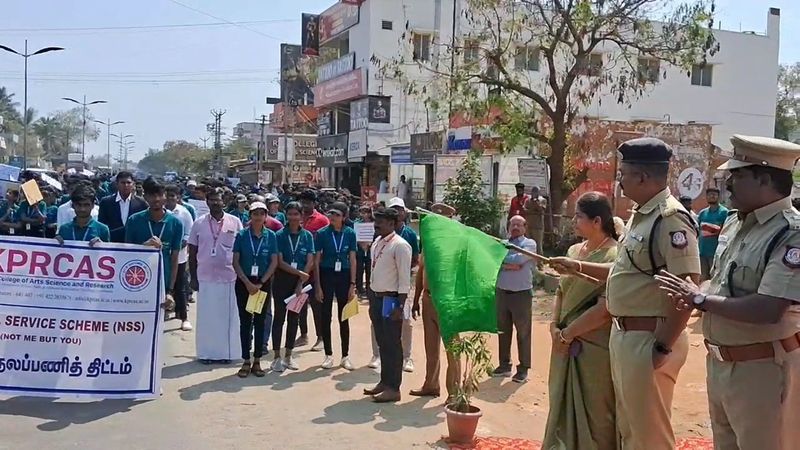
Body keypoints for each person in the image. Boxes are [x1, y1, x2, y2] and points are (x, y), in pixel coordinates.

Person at [550, 137, 700, 450]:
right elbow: (624, 273)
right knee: (630, 431)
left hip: (650, 338)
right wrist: (575, 265)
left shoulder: (669, 218)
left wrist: (661, 347)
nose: (620, 181)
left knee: (649, 437)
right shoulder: (640, 216)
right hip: (626, 337)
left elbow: (686, 289)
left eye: (625, 174)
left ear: (643, 177)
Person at [656, 135, 800, 450]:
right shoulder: (736, 222)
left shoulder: (791, 233)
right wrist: (698, 290)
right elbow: (722, 283)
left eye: (737, 176)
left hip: (762, 371)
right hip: (721, 365)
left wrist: (699, 298)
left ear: (765, 179)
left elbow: (768, 307)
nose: (727, 182)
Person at [542, 192, 619, 450]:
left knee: (596, 413)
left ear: (596, 221)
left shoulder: (614, 257)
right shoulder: (574, 251)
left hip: (594, 349)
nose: (573, 220)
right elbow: (561, 292)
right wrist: (555, 327)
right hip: (563, 345)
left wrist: (569, 333)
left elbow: (606, 308)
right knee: (561, 406)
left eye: (578, 216)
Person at [410, 202, 461, 400]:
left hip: (447, 301)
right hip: (428, 299)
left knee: (452, 350)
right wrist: (415, 299)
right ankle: (431, 384)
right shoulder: (429, 242)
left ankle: (455, 393)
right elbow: (421, 271)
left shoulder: (455, 244)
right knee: (431, 348)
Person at [188, 187, 244, 364]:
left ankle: (226, 354)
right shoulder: (198, 223)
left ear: (224, 201)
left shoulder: (235, 222)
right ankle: (206, 354)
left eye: (217, 199)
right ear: (206, 202)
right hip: (205, 277)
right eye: (211, 199)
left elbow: (241, 251)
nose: (214, 202)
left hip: (229, 277)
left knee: (227, 319)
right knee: (206, 319)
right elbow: (192, 251)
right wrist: (193, 278)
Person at [363, 207, 412, 403]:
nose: (376, 224)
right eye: (376, 221)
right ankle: (384, 381)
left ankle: (394, 387)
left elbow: (404, 279)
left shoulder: (400, 246)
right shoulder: (377, 242)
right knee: (382, 341)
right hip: (376, 298)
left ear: (392, 224)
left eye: (381, 222)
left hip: (391, 299)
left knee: (393, 343)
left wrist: (400, 306)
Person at [232, 201, 278, 378]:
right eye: (254, 213)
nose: (258, 217)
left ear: (266, 216)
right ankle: (245, 360)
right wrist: (247, 283)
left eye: (261, 213)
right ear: (250, 216)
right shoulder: (242, 235)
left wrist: (260, 283)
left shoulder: (271, 236)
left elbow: (274, 261)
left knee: (260, 321)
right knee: (245, 322)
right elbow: (235, 261)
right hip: (244, 283)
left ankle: (257, 360)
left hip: (262, 283)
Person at [125, 178, 184, 314]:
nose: (156, 199)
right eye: (151, 195)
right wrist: (144, 247)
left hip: (162, 283)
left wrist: (170, 291)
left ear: (165, 197)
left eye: (160, 195)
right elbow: (127, 254)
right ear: (145, 197)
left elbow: (174, 259)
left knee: (157, 326)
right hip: (137, 282)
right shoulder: (134, 220)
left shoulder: (175, 223)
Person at [314, 201, 358, 370]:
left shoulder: (350, 233)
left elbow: (353, 259)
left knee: (343, 316)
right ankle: (328, 354)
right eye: (331, 213)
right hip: (327, 274)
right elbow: (317, 260)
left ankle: (345, 355)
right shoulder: (322, 233)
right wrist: (317, 285)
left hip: (344, 276)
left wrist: (352, 284)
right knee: (326, 315)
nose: (332, 217)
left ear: (344, 217)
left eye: (337, 215)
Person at [493, 215, 537, 383]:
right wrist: (510, 264)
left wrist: (503, 262)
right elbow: (495, 260)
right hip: (502, 293)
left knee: (523, 333)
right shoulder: (501, 243)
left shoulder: (529, 244)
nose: (515, 227)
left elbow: (519, 260)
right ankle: (504, 365)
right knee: (503, 331)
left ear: (525, 227)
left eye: (519, 224)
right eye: (513, 224)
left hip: (521, 295)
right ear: (508, 227)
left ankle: (523, 368)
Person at [271, 201, 314, 372]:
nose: (293, 217)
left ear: (301, 215)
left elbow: (310, 260)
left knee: (294, 319)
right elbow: (280, 262)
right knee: (279, 319)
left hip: (300, 285)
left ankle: (288, 356)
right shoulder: (279, 235)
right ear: (286, 215)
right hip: (282, 281)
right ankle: (276, 357)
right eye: (290, 214)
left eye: (296, 214)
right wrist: (299, 275)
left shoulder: (307, 236)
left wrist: (300, 282)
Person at [384, 197, 419, 372]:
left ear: (404, 212)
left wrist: (403, 267)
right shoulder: (382, 233)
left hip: (404, 283)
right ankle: (378, 355)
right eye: (393, 209)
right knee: (384, 318)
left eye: (399, 209)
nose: (397, 213)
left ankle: (407, 357)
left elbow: (416, 259)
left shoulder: (411, 234)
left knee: (405, 320)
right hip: (387, 284)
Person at [298, 189, 329, 349]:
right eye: (303, 202)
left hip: (316, 270)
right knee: (299, 304)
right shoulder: (297, 217)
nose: (305, 205)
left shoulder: (322, 220)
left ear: (314, 203)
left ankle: (321, 337)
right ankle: (303, 334)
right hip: (298, 269)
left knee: (317, 304)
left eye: (308, 202)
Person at [165, 184, 195, 331]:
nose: (170, 199)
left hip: (180, 257)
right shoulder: (159, 212)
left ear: (177, 198)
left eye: (173, 196)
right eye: (167, 195)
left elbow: (189, 233)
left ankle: (184, 317)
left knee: (180, 287)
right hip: (162, 257)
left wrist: (181, 243)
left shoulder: (184, 213)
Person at [98, 171, 148, 243]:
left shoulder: (141, 203)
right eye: (123, 183)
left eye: (128, 183)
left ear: (133, 184)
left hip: (134, 246)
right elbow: (101, 226)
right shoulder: (106, 202)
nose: (126, 185)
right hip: (112, 245)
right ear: (117, 184)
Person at [696, 187, 729, 281]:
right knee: (703, 279)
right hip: (702, 252)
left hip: (716, 253)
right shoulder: (702, 213)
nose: (712, 196)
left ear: (718, 197)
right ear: (706, 197)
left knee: (715, 279)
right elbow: (698, 232)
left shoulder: (724, 212)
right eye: (710, 194)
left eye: (714, 194)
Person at [355, 205, 373, 298]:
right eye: (362, 212)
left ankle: (369, 289)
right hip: (360, 250)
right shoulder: (357, 223)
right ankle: (359, 288)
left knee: (369, 270)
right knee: (359, 270)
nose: (364, 214)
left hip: (370, 250)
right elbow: (356, 235)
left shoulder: (374, 223)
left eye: (366, 212)